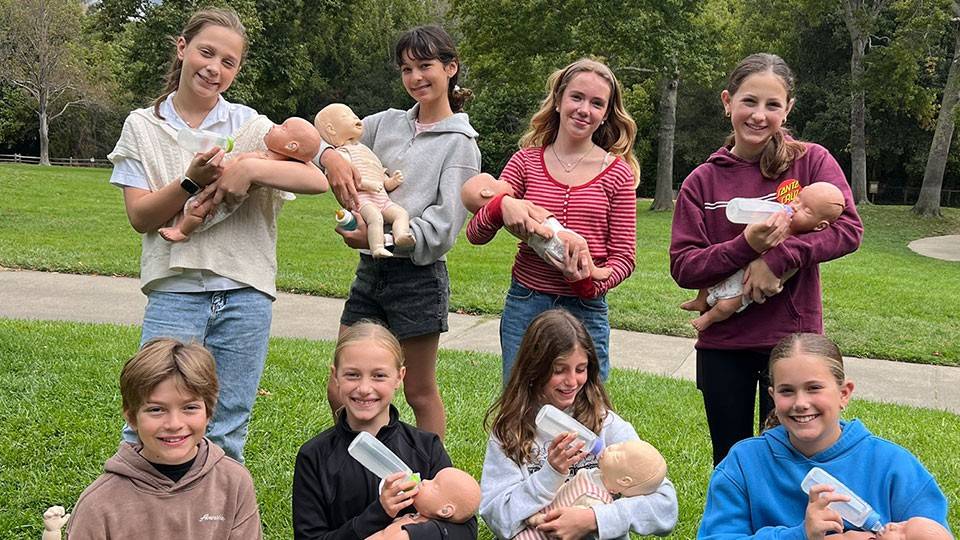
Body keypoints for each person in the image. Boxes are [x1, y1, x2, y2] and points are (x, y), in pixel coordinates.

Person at [106, 7, 328, 462]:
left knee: (227, 426)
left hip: (245, 292)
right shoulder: (143, 126)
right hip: (175, 291)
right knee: (151, 422)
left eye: (228, 62)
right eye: (207, 53)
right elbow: (141, 217)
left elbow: (316, 180)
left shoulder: (250, 126)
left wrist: (248, 166)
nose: (215, 68)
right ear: (182, 48)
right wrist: (189, 180)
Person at [669, 52, 864, 466]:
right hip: (725, 348)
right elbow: (684, 266)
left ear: (788, 108)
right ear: (727, 102)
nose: (759, 115)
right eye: (749, 102)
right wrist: (747, 247)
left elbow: (848, 230)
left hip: (794, 344)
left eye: (773, 105)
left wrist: (778, 259)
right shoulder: (702, 181)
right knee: (732, 459)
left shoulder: (810, 162)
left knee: (795, 459)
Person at [318, 25, 481, 439]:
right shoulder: (383, 124)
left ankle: (428, 481)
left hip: (419, 279)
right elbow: (325, 132)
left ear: (450, 68)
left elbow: (444, 229)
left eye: (425, 66)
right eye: (406, 69)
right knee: (342, 386)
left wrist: (384, 240)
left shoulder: (461, 143)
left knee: (417, 390)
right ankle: (359, 467)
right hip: (371, 273)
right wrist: (329, 158)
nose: (415, 78)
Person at [464, 58, 639, 385]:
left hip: (586, 310)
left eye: (597, 103)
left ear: (605, 115)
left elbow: (624, 258)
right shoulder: (525, 162)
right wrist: (503, 205)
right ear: (558, 100)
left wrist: (589, 280)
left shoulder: (617, 174)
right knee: (520, 408)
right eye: (577, 97)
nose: (584, 109)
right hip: (526, 304)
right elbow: (475, 234)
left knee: (586, 414)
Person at [697, 333, 950, 539]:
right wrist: (800, 535)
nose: (801, 403)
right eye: (787, 391)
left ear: (844, 393)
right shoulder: (743, 464)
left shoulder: (894, 467)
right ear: (773, 396)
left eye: (814, 388)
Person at [479, 309, 677, 540]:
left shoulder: (606, 425)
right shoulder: (510, 432)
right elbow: (497, 517)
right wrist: (550, 474)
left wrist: (594, 519)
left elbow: (666, 506)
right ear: (534, 369)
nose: (572, 381)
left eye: (580, 369)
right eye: (559, 370)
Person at [292, 321, 478, 540]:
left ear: (399, 377)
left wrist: (407, 535)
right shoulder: (315, 456)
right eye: (352, 375)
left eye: (379, 375)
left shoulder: (426, 448)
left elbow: (464, 527)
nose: (364, 388)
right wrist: (378, 513)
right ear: (335, 376)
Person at [66, 339, 262, 538]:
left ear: (208, 412)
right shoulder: (98, 504)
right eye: (156, 409)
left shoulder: (235, 482)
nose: (174, 424)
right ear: (132, 418)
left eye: (190, 407)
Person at [680, 182, 846, 332]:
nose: (795, 207)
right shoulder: (778, 217)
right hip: (735, 265)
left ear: (820, 226)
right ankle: (701, 301)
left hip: (747, 284)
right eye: (797, 200)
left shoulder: (802, 242)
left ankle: (708, 318)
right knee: (709, 279)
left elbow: (849, 232)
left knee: (726, 306)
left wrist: (777, 258)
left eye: (806, 210)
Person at [159, 116, 324, 242]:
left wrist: (249, 169)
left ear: (291, 146)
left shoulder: (274, 164)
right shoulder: (267, 154)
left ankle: (182, 231)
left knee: (199, 209)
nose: (273, 126)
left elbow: (319, 182)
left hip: (222, 196)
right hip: (217, 183)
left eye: (282, 127)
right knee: (197, 203)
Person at [461, 173, 612, 281]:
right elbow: (530, 225)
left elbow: (623, 256)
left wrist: (587, 289)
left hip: (548, 252)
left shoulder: (512, 207)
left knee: (574, 256)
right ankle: (593, 271)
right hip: (553, 240)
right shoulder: (507, 210)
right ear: (487, 193)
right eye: (496, 181)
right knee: (579, 244)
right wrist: (499, 205)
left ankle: (588, 273)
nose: (505, 181)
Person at [315, 103, 415, 258]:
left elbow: (376, 172)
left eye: (353, 113)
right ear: (331, 129)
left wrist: (391, 181)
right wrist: (369, 185)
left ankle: (401, 235)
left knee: (401, 213)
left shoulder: (365, 149)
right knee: (375, 217)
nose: (355, 117)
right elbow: (349, 179)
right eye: (346, 116)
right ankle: (376, 248)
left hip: (382, 197)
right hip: (362, 200)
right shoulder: (342, 154)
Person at [366, 467, 482, 540]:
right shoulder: (416, 519)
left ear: (445, 511)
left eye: (435, 486)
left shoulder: (418, 534)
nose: (426, 481)